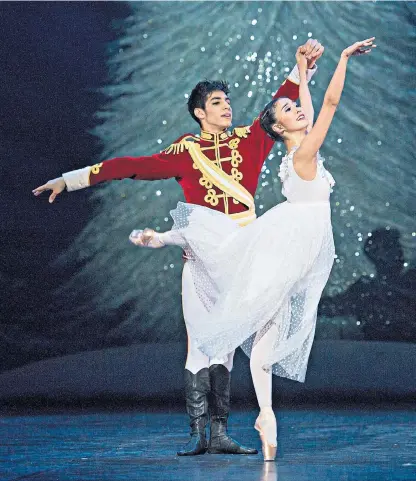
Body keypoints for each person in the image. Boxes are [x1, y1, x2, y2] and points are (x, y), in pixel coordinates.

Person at [32, 39, 324, 456]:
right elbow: (130, 166)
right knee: (199, 345)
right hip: (203, 261)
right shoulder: (185, 153)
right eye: (217, 102)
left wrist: (301, 69)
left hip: (242, 259)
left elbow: (280, 106)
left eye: (228, 101)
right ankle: (196, 433)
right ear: (199, 113)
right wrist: (71, 178)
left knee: (226, 346)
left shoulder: (250, 140)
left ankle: (221, 433)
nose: (227, 107)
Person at [129, 38, 376, 461]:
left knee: (265, 335)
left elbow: (310, 107)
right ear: (279, 129)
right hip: (288, 243)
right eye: (287, 111)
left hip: (294, 241)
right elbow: (329, 106)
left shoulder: (299, 142)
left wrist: (301, 73)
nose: (297, 109)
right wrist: (341, 59)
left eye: (295, 107)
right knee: (245, 327)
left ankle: (264, 414)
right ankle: (234, 416)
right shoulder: (304, 153)